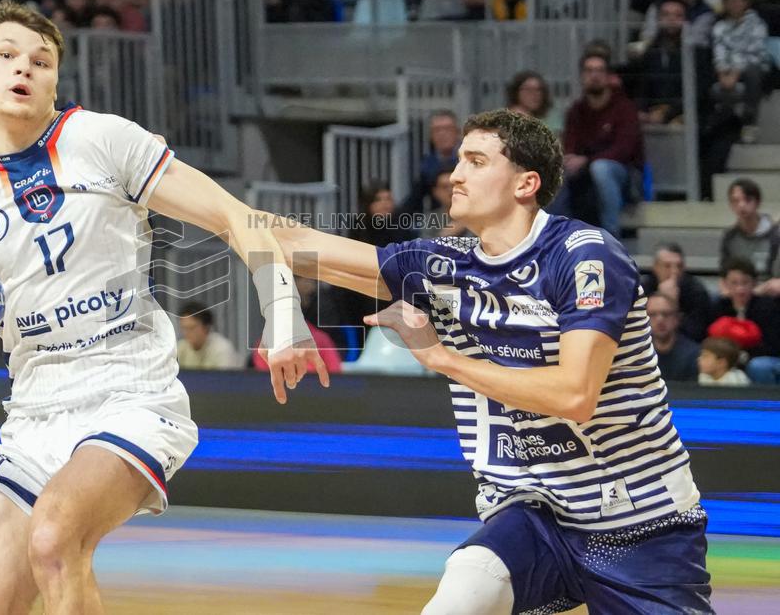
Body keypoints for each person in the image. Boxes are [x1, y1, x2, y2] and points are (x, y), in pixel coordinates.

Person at [0, 0, 328, 614]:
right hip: (34, 409)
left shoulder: (102, 140)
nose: (23, 69)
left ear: (55, 79)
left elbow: (236, 218)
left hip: (129, 392)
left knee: (55, 539)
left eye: (42, 61)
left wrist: (285, 314)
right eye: (6, 56)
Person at [266, 108, 712, 613]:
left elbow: (574, 395)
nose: (456, 175)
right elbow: (293, 243)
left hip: (639, 522)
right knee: (462, 591)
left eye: (476, 161)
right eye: (458, 160)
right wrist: (158, 172)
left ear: (526, 183)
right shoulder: (446, 264)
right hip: (535, 515)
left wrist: (441, 357)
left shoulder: (586, 257)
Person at [554, 51, 644, 238]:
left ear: (609, 77)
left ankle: (611, 236)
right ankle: (559, 236)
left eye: (599, 71)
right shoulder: (576, 111)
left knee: (601, 168)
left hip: (624, 174)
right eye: (589, 71)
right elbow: (570, 144)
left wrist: (586, 160)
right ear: (582, 76)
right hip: (586, 173)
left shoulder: (624, 109)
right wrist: (570, 159)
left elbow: (624, 151)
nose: (594, 76)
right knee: (557, 169)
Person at [711, 0, 770, 143]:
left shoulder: (757, 24)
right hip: (727, 69)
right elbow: (719, 50)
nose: (734, 2)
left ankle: (749, 123)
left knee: (753, 71)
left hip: (753, 66)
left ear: (746, 2)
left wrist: (735, 72)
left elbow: (753, 51)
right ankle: (724, 124)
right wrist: (722, 71)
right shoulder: (719, 26)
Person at [640, 242, 711, 341]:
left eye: (679, 266)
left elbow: (696, 333)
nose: (674, 271)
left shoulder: (696, 291)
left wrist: (672, 304)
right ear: (655, 267)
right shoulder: (642, 289)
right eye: (667, 266)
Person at [400, 110, 460, 215]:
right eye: (437, 130)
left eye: (447, 129)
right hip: (438, 221)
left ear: (457, 132)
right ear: (431, 135)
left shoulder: (471, 159)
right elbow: (414, 201)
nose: (442, 134)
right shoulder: (426, 165)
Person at [720, 178, 779, 277]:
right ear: (730, 205)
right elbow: (725, 273)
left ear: (758, 202)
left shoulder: (776, 234)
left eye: (747, 200)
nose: (741, 205)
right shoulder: (729, 236)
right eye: (735, 201)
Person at [647, 291, 701, 382]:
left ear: (677, 318)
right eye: (652, 315)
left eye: (666, 314)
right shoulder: (636, 354)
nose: (660, 320)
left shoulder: (694, 355)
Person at [175, 302, 240, 369]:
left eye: (192, 328)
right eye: (184, 328)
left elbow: (226, 378)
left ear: (206, 327)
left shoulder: (222, 348)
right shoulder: (181, 348)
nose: (186, 333)